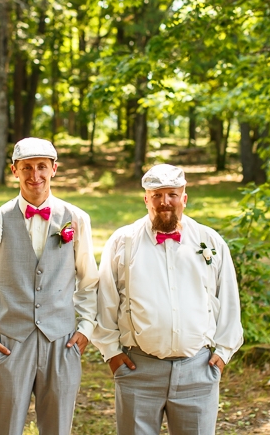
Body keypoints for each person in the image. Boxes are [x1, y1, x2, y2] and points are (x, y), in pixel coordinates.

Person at [93, 163, 243, 435]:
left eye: (172, 195)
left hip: (198, 371)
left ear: (184, 198)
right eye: (157, 195)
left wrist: (222, 353)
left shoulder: (210, 242)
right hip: (138, 370)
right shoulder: (123, 242)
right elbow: (106, 301)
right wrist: (112, 354)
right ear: (146, 199)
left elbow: (229, 298)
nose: (165, 202)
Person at [0, 137, 99, 435]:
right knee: (4, 429)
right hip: (9, 343)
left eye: (42, 167)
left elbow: (89, 280)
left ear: (54, 169)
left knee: (57, 429)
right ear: (14, 170)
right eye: (27, 167)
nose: (35, 175)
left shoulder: (76, 219)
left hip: (62, 342)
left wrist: (86, 329)